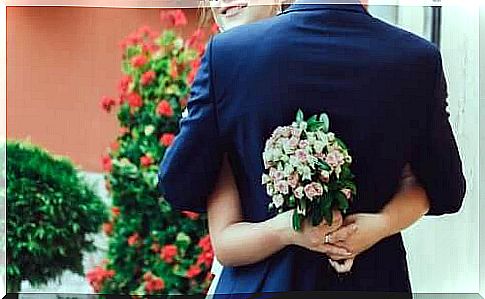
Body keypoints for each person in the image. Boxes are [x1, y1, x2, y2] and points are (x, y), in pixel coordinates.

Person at [158, 0, 466, 297]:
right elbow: (445, 189)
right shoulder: (417, 60)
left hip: (264, 283)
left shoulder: (226, 56)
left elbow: (178, 183)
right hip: (375, 279)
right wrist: (377, 224)